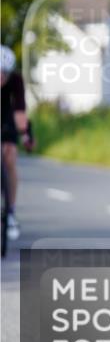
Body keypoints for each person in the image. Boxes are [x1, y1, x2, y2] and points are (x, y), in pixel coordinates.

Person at [1, 45, 33, 240]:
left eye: (4, 73)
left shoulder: (16, 81)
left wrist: (25, 135)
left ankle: (11, 210)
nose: (0, 77)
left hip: (7, 118)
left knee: (10, 155)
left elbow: (20, 112)